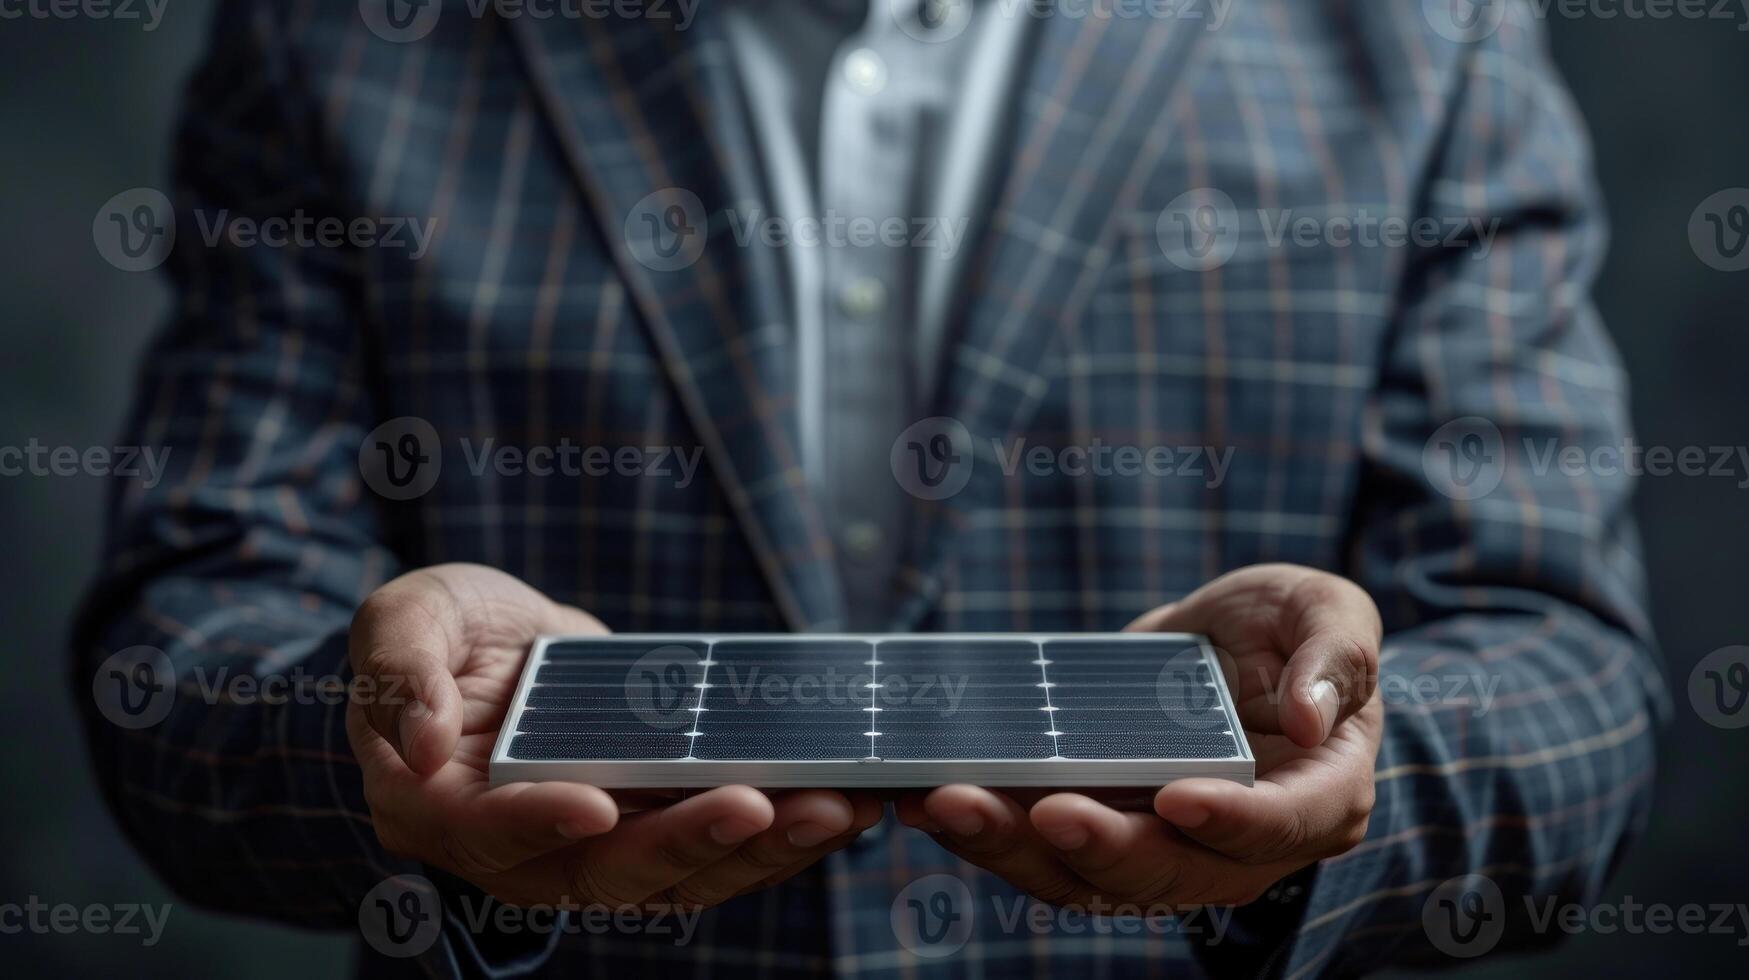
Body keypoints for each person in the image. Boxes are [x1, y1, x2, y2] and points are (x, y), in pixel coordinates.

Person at [74, 1, 1664, 977]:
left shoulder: (1424, 32)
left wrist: (1345, 760)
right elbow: (182, 654)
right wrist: (374, 731)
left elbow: (1567, 678)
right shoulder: (342, 37)